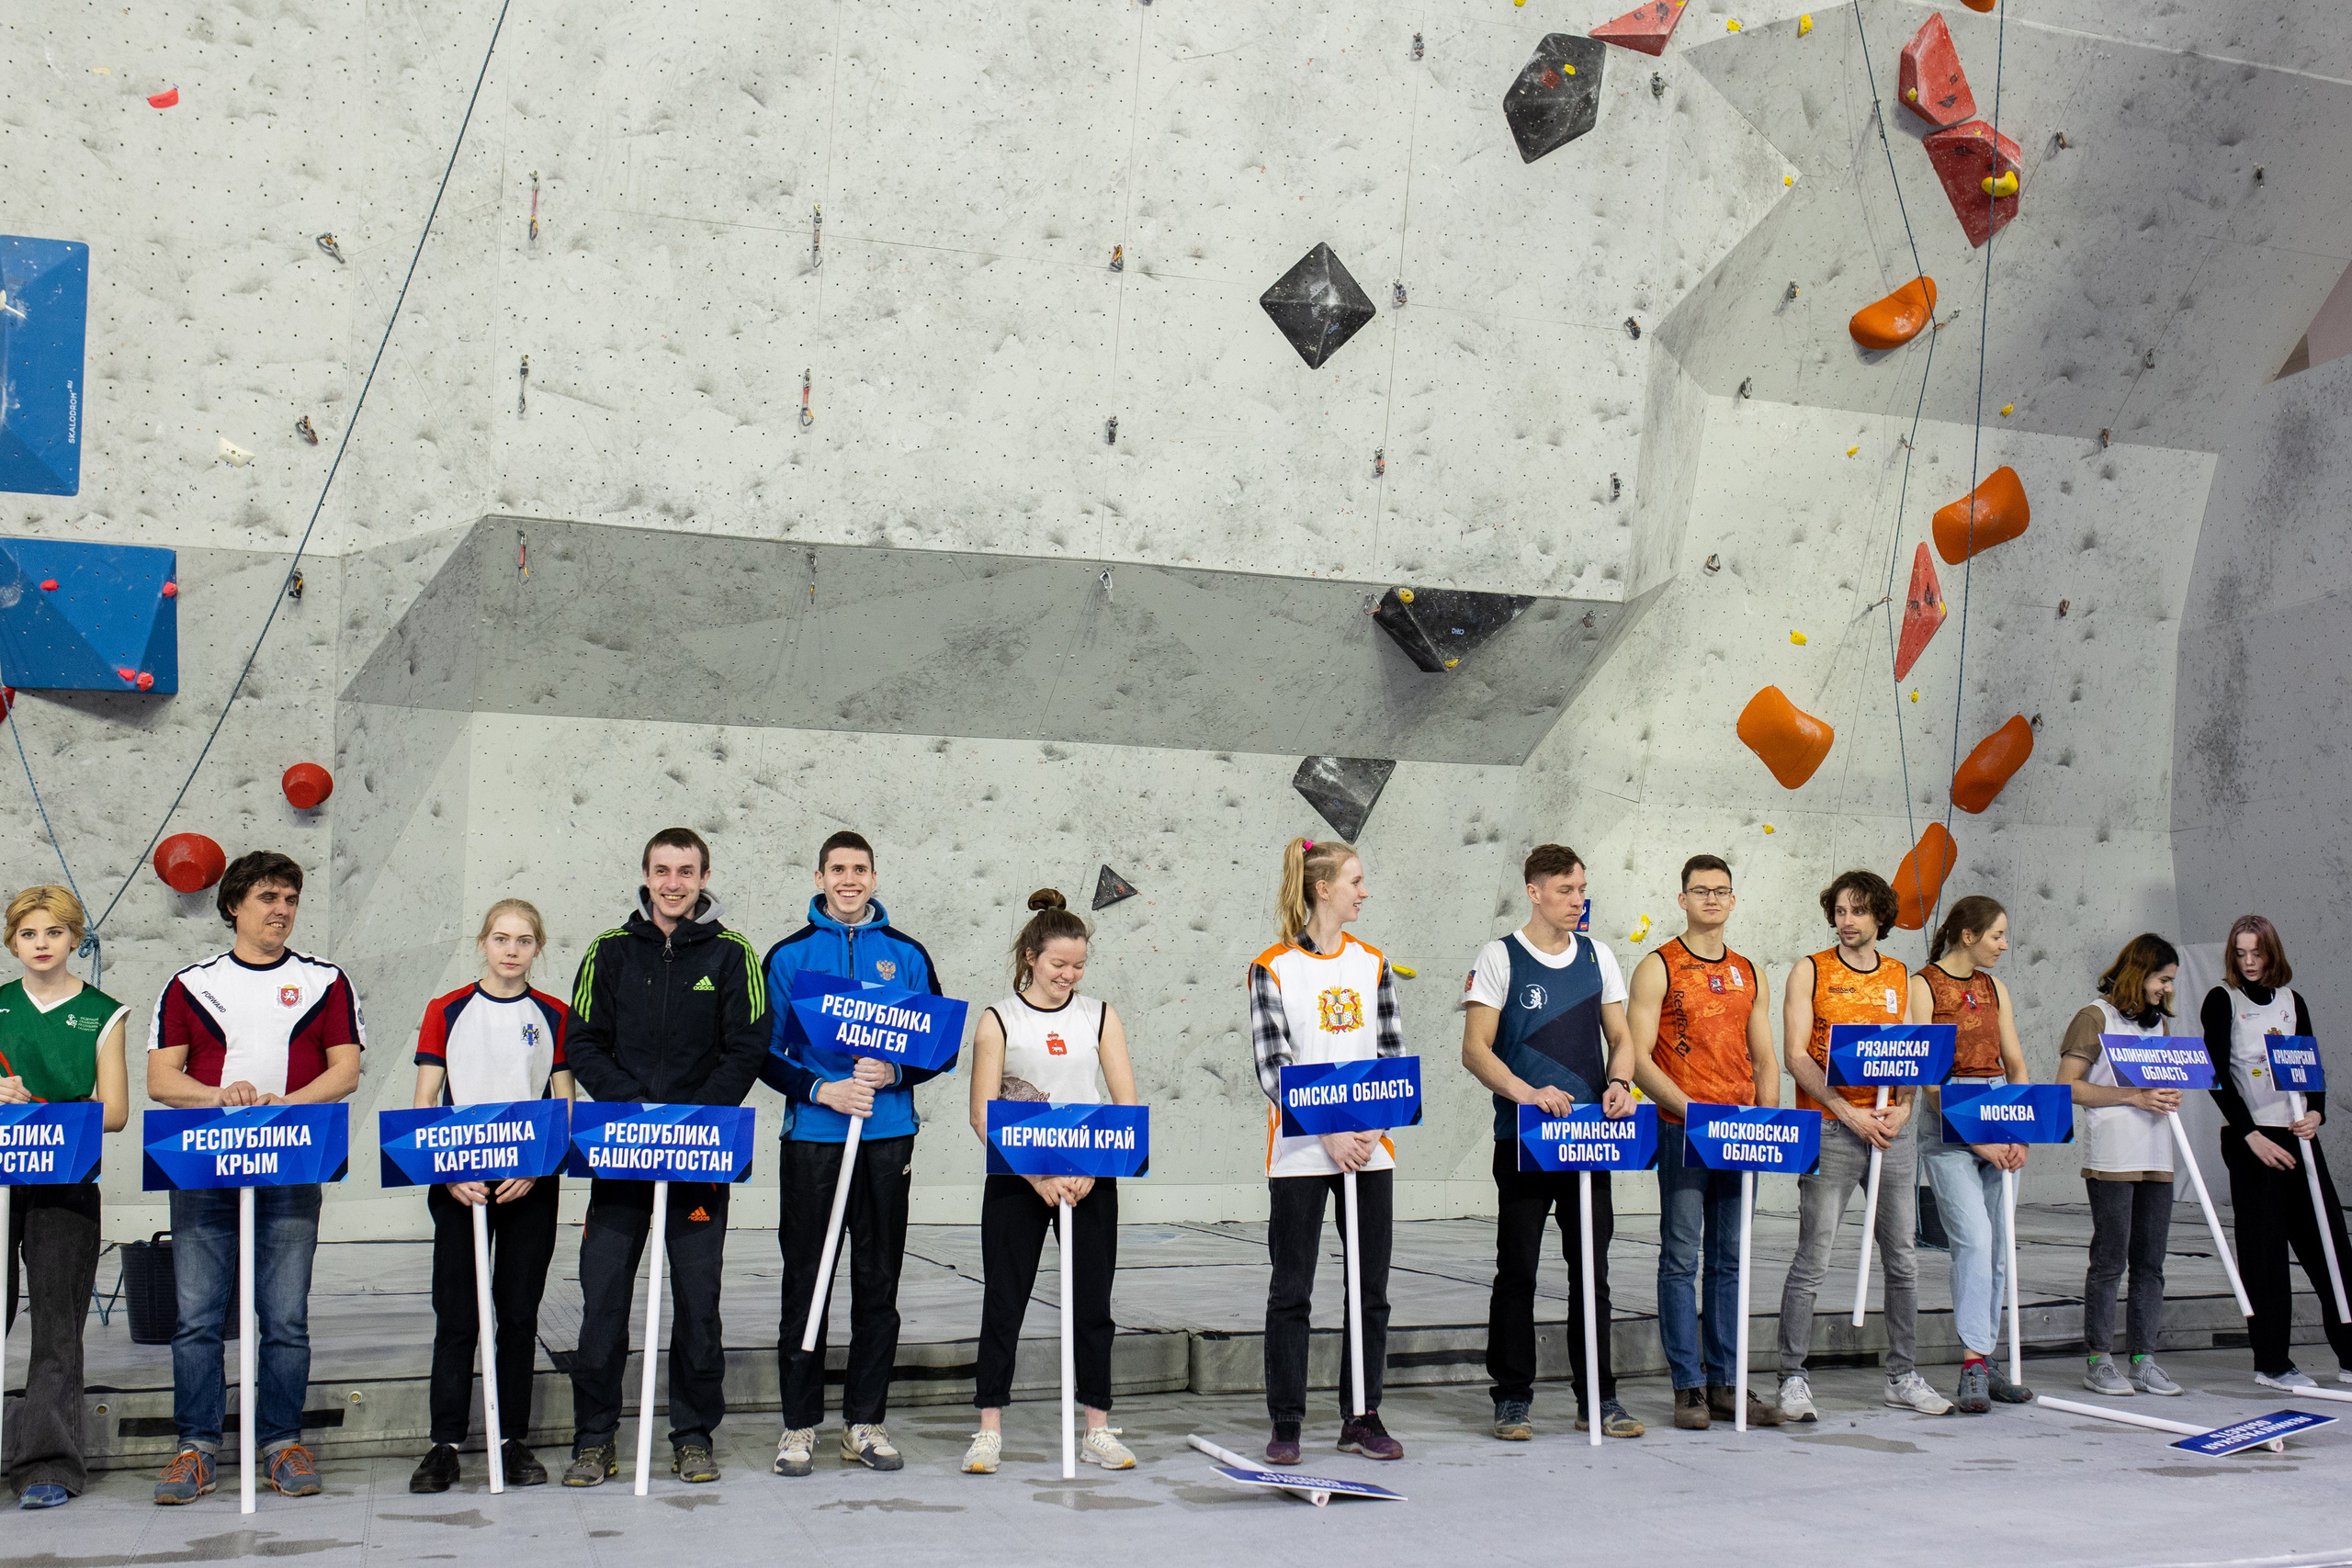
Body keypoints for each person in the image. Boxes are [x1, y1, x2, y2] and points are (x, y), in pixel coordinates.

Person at [147, 851, 365, 1506]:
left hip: (292, 1161)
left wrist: (284, 1104)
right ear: (234, 903)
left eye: (291, 898)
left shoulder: (326, 980)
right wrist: (219, 1094)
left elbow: (345, 1069)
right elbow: (162, 1080)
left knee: (286, 1316)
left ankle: (281, 1440)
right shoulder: (190, 983)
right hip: (204, 1165)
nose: (282, 910)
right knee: (196, 1316)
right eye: (269, 896)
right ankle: (197, 1446)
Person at [562, 829, 768, 1487]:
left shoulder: (735, 953)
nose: (674, 882)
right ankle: (595, 1437)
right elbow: (583, 1041)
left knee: (698, 1301)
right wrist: (633, 1111)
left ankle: (692, 1434)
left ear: (704, 875)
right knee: (601, 1303)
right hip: (622, 1155)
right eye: (662, 870)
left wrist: (688, 1120)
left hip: (699, 1157)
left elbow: (748, 1045)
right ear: (645, 876)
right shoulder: (609, 950)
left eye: (686, 870)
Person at [762, 830, 949, 1478]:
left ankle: (864, 1422)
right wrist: (824, 1087)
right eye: (837, 869)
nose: (849, 879)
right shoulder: (789, 955)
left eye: (859, 869)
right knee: (806, 1279)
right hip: (814, 1138)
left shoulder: (906, 953)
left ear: (874, 876)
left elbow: (941, 1045)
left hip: (886, 1136)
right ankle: (798, 1426)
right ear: (819, 877)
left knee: (878, 1281)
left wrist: (894, 1073)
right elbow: (764, 1051)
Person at [1460, 844, 1642, 1442]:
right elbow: (1476, 1048)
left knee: (1592, 1272)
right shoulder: (1500, 956)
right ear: (1534, 891)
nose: (1577, 899)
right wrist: (1525, 1090)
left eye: (1582, 888)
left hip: (1588, 1140)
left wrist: (1620, 1081)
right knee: (1517, 1271)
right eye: (1565, 889)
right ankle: (1512, 1397)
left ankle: (1599, 1397)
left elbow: (1622, 1035)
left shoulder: (1599, 956)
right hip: (1524, 1139)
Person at [960, 889, 1140, 1475]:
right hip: (1019, 1176)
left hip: (1090, 1175)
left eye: (1079, 965)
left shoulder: (1100, 1016)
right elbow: (983, 1113)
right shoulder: (998, 1019)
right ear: (1031, 957)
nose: (1069, 975)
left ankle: (1097, 1426)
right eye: (1059, 963)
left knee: (1093, 1303)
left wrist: (1089, 1167)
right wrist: (1037, 1175)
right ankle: (989, 1426)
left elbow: (1125, 1102)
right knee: (1004, 1300)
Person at [406, 899, 573, 1494]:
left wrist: (536, 1163)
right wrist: (449, 1171)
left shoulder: (554, 1013)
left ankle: (512, 1436)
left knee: (518, 1314)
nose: (511, 948)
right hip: (462, 1183)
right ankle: (444, 1441)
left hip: (529, 1182)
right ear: (482, 942)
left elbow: (562, 1103)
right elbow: (427, 1099)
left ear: (537, 947)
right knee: (457, 1314)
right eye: (501, 937)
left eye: (524, 939)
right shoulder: (446, 1009)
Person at [1251, 836, 1406, 1463]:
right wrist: (1328, 1129)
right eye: (1355, 880)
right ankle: (1286, 1421)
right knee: (1292, 1288)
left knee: (1369, 1287)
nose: (1363, 891)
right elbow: (1272, 1064)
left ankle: (1362, 1414)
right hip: (1300, 1153)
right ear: (1322, 889)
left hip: (1371, 1149)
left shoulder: (1373, 962)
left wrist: (1366, 1126)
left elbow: (1392, 1053)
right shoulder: (1272, 966)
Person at [1776, 870, 1952, 1419]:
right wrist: (1848, 1112)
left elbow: (1917, 1056)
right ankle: (1791, 1377)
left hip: (1889, 1133)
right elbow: (1797, 1056)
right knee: (1814, 1258)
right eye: (1840, 910)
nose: (1846, 921)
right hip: (1832, 1129)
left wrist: (1902, 1109)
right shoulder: (1810, 970)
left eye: (1858, 911)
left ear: (1880, 916)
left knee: (1903, 1259)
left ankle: (1903, 1373)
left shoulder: (1901, 975)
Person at [1625, 854, 1781, 1432]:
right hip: (1685, 1130)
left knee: (1730, 1260)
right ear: (1683, 899)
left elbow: (1764, 1057)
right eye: (1700, 891)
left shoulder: (1750, 971)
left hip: (1742, 1133)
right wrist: (1695, 1115)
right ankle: (1687, 1386)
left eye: (1721, 891)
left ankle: (1726, 1382)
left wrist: (1765, 1118)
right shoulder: (1657, 966)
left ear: (1733, 900)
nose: (1711, 900)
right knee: (1681, 1257)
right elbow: (1638, 1059)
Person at [0, 886, 129, 1509]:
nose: (42, 943)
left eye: (54, 931)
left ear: (75, 938)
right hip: (1, 1181)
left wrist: (44, 1109)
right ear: (13, 941)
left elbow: (117, 1111)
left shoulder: (104, 1010)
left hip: (66, 1180)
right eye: (29, 933)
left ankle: (47, 1462)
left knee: (55, 1325)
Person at [2200, 915, 2352, 1392]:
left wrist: (2317, 1114)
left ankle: (2350, 1354)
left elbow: (2311, 1066)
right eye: (2240, 953)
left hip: (2298, 1138)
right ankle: (2273, 1363)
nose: (2248, 962)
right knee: (2264, 1255)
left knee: (2330, 1247)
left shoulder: (2292, 1001)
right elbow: (2217, 1075)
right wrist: (2250, 1135)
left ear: (2271, 953)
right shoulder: (2221, 1000)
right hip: (2252, 1142)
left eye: (2257, 953)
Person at [1909, 895, 2035, 1414]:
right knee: (1974, 1240)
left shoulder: (1993, 987)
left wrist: (2019, 1128)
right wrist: (1975, 1135)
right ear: (1968, 935)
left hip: (1999, 1105)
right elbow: (1929, 1077)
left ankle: (1983, 1356)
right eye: (1997, 935)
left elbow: (2017, 1062)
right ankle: (1972, 1366)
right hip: (1949, 1122)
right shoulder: (1922, 985)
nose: (2004, 945)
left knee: (2001, 1246)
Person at [2055, 932, 2184, 1396]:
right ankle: (2099, 1359)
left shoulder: (2158, 1027)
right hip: (2112, 1157)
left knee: (2151, 1263)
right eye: (2162, 980)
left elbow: (2161, 1086)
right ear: (2140, 973)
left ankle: (2144, 1360)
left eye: (2170, 982)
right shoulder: (2095, 1017)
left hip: (2158, 1155)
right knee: (2110, 1260)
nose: (2166, 989)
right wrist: (2134, 1096)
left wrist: (2169, 1092)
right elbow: (2068, 1086)